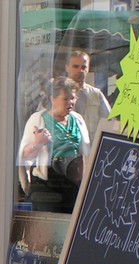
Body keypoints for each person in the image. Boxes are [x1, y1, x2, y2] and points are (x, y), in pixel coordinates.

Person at [18, 76, 91, 213]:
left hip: (73, 182)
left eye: (73, 98)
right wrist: (38, 144)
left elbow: (86, 153)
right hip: (47, 186)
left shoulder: (78, 119)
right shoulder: (38, 119)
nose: (70, 102)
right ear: (53, 98)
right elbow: (24, 157)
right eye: (66, 99)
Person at [64, 50, 111, 142]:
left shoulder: (96, 94)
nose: (80, 70)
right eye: (75, 66)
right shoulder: (56, 94)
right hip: (67, 152)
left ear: (88, 69)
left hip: (91, 150)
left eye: (84, 67)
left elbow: (109, 123)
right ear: (67, 68)